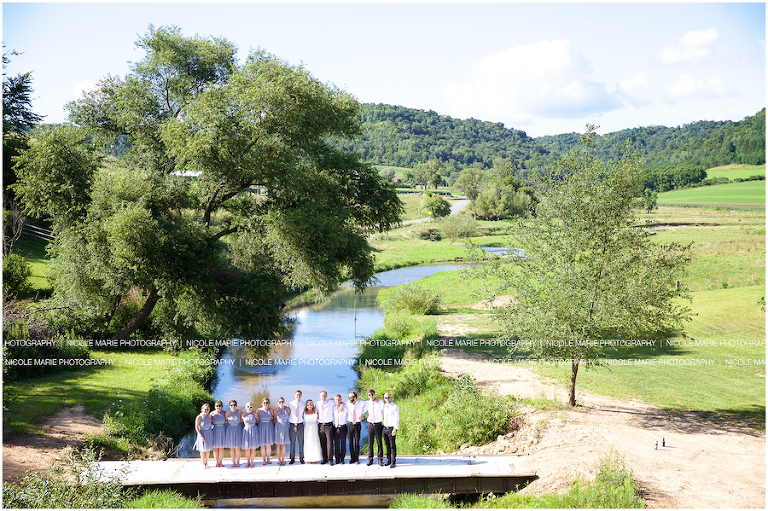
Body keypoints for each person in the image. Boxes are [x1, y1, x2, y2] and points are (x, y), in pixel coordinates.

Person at [364, 389, 385, 466]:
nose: (371, 396)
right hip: (370, 424)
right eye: (369, 395)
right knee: (370, 442)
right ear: (368, 396)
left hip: (378, 424)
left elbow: (384, 412)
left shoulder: (379, 402)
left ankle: (380, 459)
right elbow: (358, 405)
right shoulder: (366, 403)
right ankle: (370, 458)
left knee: (379, 442)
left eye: (372, 394)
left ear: (374, 394)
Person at [317, 390, 335, 465]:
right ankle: (324, 458)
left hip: (329, 425)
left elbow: (339, 402)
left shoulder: (331, 402)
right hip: (321, 425)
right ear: (319, 396)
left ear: (326, 396)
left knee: (330, 443)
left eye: (324, 395)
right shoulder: (317, 403)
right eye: (322, 396)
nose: (323, 397)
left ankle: (330, 459)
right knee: (322, 443)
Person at [192, 403, 213, 468]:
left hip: (209, 433)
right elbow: (196, 428)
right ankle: (203, 463)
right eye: (205, 409)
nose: (206, 410)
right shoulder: (199, 417)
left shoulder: (209, 416)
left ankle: (207, 462)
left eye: (208, 409)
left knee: (208, 449)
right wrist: (200, 436)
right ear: (202, 409)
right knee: (202, 450)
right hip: (202, 433)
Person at [346, 391, 364, 464]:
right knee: (350, 442)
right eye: (349, 397)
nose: (349, 399)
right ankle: (352, 458)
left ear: (355, 397)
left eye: (351, 397)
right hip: (350, 424)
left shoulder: (360, 403)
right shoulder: (348, 403)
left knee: (357, 442)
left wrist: (362, 415)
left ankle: (356, 459)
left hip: (357, 424)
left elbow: (368, 404)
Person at [302, 400, 322, 464]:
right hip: (307, 428)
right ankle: (308, 459)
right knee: (308, 443)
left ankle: (315, 459)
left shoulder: (316, 411)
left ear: (313, 405)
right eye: (308, 405)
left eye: (311, 404)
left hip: (314, 427)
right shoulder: (304, 412)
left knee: (315, 442)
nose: (309, 406)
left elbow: (320, 418)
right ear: (306, 406)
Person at [288, 390, 305, 464]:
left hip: (300, 424)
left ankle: (302, 458)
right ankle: (292, 458)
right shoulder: (290, 403)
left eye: (299, 395)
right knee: (292, 442)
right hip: (292, 425)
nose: (298, 396)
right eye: (297, 395)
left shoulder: (303, 404)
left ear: (301, 396)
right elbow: (288, 413)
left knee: (301, 442)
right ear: (294, 395)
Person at [383, 393, 400, 468]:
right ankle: (388, 459)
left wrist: (395, 429)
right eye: (385, 398)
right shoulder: (384, 405)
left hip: (391, 428)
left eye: (388, 397)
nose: (387, 399)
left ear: (391, 397)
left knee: (392, 445)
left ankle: (393, 461)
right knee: (387, 445)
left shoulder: (395, 407)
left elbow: (397, 418)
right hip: (385, 427)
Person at [225, 400, 244, 467]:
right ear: (229, 406)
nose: (233, 406)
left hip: (238, 430)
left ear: (236, 406)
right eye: (231, 405)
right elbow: (225, 421)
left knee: (237, 447)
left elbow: (241, 421)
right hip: (230, 430)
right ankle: (233, 462)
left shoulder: (239, 412)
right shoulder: (227, 413)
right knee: (232, 448)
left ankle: (238, 462)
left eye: (234, 405)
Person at [257, 397, 275, 465]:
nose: (265, 404)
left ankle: (268, 459)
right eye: (264, 402)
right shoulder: (259, 410)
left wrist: (269, 423)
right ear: (262, 403)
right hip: (261, 427)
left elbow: (274, 418)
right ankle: (264, 459)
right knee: (262, 445)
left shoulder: (271, 410)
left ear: (268, 403)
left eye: (267, 403)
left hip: (269, 427)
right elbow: (257, 419)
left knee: (268, 445)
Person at [274, 397, 291, 466]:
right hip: (278, 427)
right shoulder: (275, 410)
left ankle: (283, 459)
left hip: (285, 427)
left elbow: (290, 416)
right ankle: (278, 459)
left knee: (284, 444)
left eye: (282, 401)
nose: (281, 403)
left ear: (284, 402)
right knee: (278, 444)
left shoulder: (287, 409)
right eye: (279, 402)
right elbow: (274, 419)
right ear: (277, 402)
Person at [241, 402, 258, 468]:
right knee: (247, 448)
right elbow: (240, 422)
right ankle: (247, 461)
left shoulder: (255, 414)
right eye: (248, 406)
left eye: (251, 407)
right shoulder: (242, 414)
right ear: (245, 407)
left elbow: (258, 420)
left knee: (253, 448)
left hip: (253, 430)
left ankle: (252, 462)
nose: (249, 408)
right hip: (246, 431)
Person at [211, 401, 227, 467]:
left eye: (219, 405)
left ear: (221, 406)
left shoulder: (224, 413)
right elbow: (207, 420)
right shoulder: (212, 413)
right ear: (214, 406)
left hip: (223, 429)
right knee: (215, 447)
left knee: (221, 447)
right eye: (217, 406)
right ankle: (216, 462)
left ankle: (221, 462)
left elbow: (226, 420)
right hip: (215, 430)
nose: (218, 407)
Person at [332, 394, 348, 464]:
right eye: (336, 400)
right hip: (335, 428)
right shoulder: (333, 407)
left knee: (343, 443)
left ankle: (342, 459)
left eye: (339, 399)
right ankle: (337, 459)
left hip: (343, 427)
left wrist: (342, 404)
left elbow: (350, 412)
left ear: (341, 399)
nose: (337, 401)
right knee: (336, 444)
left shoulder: (345, 407)